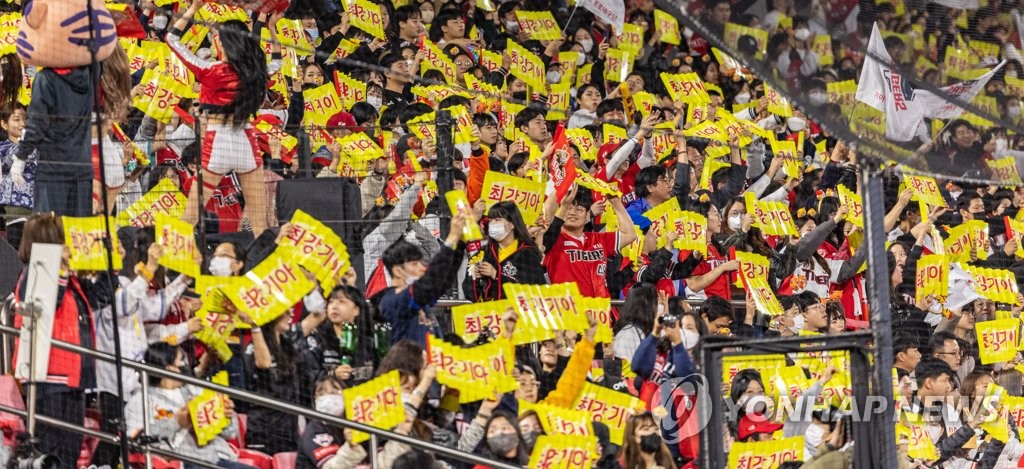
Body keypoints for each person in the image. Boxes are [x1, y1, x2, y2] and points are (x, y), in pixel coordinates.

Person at [168, 2, 282, 237]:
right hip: (246, 142)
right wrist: (271, 28)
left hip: (217, 143)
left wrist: (193, 8)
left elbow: (171, 39)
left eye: (217, 35)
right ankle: (263, 271)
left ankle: (167, 268)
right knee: (260, 224)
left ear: (224, 41)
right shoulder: (256, 73)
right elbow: (278, 63)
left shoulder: (210, 69)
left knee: (189, 217)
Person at [125, 343, 255, 469]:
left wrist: (227, 416)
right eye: (182, 360)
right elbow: (135, 441)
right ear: (169, 368)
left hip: (217, 456)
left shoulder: (195, 389)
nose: (186, 365)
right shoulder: (141, 400)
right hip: (183, 462)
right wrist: (176, 422)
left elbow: (230, 433)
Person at [463, 201, 545, 301]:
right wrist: (476, 278)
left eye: (498, 220)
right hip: (490, 313)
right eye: (491, 220)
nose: (493, 224)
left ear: (512, 224)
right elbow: (468, 290)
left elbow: (535, 290)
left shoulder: (526, 253)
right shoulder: (483, 253)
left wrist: (496, 275)